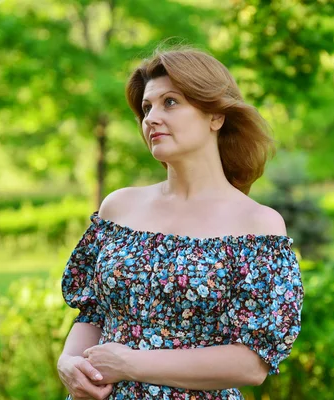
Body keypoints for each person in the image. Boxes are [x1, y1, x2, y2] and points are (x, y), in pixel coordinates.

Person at [57, 46, 305, 400]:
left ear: (215, 116)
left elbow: (251, 364)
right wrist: (68, 363)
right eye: (146, 108)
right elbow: (92, 314)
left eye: (170, 103)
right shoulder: (118, 207)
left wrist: (132, 363)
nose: (151, 118)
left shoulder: (257, 226)